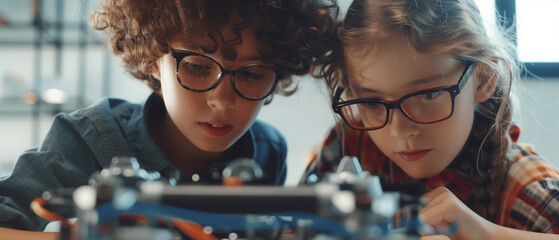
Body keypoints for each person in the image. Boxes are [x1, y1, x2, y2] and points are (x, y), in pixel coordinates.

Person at [0, 0, 337, 236]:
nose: (221, 100)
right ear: (151, 58)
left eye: (252, 74)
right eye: (197, 67)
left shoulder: (267, 150)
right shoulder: (89, 139)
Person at [302, 0, 559, 239]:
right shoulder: (350, 147)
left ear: (484, 77)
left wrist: (489, 235)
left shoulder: (534, 195)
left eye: (428, 94)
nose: (400, 131)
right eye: (371, 102)